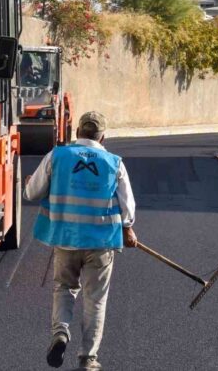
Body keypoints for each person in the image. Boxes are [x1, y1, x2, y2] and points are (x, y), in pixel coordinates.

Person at [24, 111, 138, 371]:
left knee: (64, 288)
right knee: (95, 299)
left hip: (66, 240)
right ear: (103, 137)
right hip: (101, 244)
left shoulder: (58, 156)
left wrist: (30, 183)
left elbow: (32, 193)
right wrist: (128, 228)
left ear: (77, 132)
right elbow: (127, 207)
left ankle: (60, 332)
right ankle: (87, 359)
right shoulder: (114, 162)